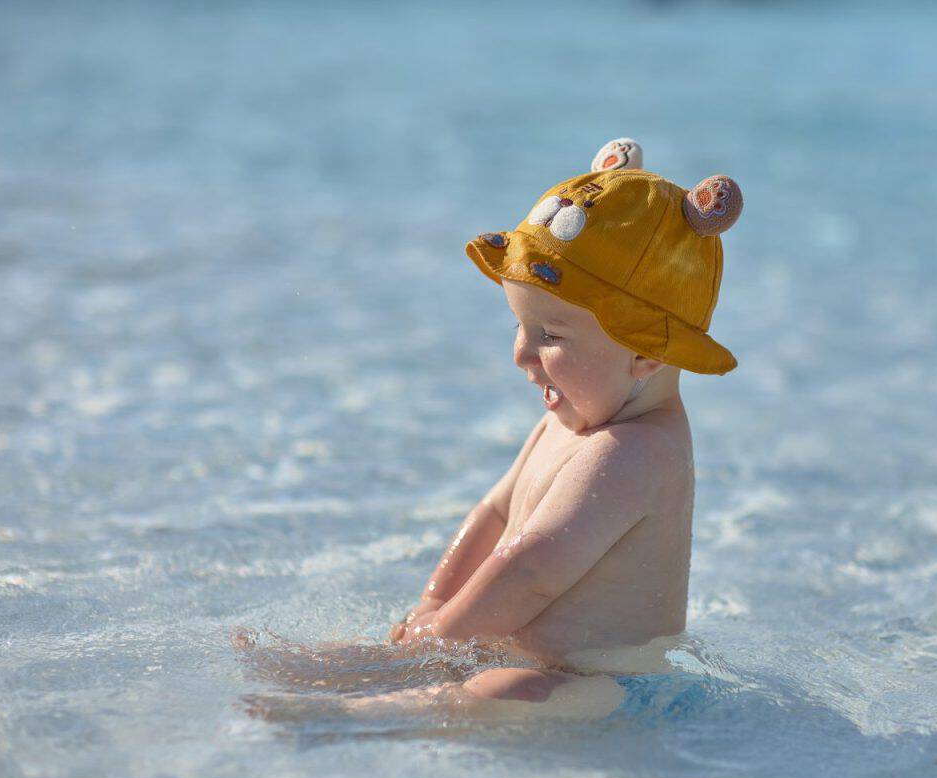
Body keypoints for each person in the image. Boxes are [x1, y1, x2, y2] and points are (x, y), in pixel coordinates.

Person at [236, 138, 743, 724]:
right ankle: (379, 673)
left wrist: (440, 640)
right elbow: (495, 515)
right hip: (497, 640)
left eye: (550, 336)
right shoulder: (569, 419)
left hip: (608, 686)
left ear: (646, 353)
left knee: (509, 694)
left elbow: (531, 570)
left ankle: (360, 716)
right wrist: (432, 607)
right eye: (519, 325)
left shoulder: (638, 451)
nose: (521, 354)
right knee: (460, 663)